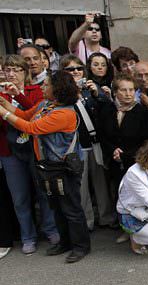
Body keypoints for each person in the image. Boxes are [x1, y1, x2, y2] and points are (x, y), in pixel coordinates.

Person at [0, 71, 91, 263]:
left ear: (57, 89)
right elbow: (23, 114)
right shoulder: (46, 105)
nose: (42, 87)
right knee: (56, 206)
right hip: (48, 166)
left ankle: (81, 246)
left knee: (71, 208)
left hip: (63, 168)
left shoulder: (64, 114)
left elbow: (30, 128)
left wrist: (5, 113)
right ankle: (65, 242)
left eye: (46, 85)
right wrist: (5, 101)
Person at [0, 55, 59, 254]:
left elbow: (36, 114)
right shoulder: (1, 93)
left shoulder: (37, 91)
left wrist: (18, 96)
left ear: (25, 73)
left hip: (35, 149)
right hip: (10, 152)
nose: (12, 74)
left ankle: (50, 230)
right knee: (20, 197)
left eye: (17, 70)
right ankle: (28, 236)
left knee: (43, 192)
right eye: (8, 70)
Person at [59, 54, 114, 230]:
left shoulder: (90, 88)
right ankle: (87, 222)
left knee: (101, 184)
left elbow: (107, 110)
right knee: (81, 187)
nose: (75, 72)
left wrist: (98, 94)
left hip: (95, 143)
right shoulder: (61, 92)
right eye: (70, 69)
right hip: (76, 146)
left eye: (78, 68)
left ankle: (106, 217)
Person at [96, 73, 148, 209]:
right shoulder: (107, 109)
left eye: (131, 90)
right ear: (115, 92)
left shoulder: (142, 112)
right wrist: (113, 150)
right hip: (114, 160)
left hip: (135, 161)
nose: (128, 94)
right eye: (123, 90)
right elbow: (102, 135)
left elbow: (146, 140)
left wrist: (125, 155)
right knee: (118, 191)